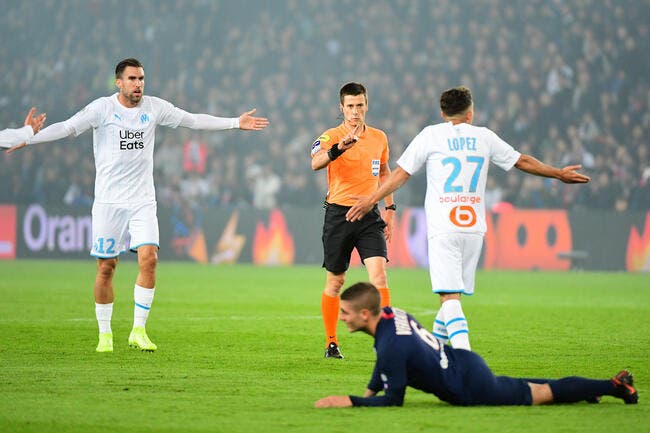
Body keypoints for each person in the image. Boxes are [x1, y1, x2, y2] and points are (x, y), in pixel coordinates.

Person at [8, 58, 269, 353]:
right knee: (107, 267)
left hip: (142, 200)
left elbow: (192, 120)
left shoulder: (154, 108)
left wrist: (235, 122)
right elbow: (67, 128)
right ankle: (105, 335)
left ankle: (138, 330)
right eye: (132, 79)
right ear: (119, 82)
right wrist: (29, 138)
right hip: (108, 202)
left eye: (142, 79)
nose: (138, 84)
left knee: (150, 259)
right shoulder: (101, 109)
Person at [346, 87, 590, 351]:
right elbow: (522, 161)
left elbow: (400, 174)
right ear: (470, 113)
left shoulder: (431, 135)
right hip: (474, 228)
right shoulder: (483, 137)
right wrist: (558, 174)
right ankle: (435, 352)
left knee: (449, 297)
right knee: (453, 297)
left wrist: (371, 199)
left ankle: (465, 358)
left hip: (443, 228)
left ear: (442, 113)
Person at [315, 282, 638, 408]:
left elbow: (394, 401)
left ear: (365, 313)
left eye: (345, 312)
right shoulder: (391, 316)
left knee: (542, 393)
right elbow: (383, 366)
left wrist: (351, 401)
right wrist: (370, 390)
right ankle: (591, 390)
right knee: (538, 386)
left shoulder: (390, 347)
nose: (341, 318)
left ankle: (615, 387)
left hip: (469, 387)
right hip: (462, 363)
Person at [310, 82, 396, 359]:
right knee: (336, 281)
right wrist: (338, 149)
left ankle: (389, 340)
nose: (355, 111)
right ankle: (331, 342)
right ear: (341, 108)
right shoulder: (330, 136)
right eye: (350, 106)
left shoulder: (379, 138)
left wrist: (390, 209)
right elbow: (315, 162)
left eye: (360, 105)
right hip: (339, 215)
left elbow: (384, 173)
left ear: (366, 105)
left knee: (378, 275)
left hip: (369, 214)